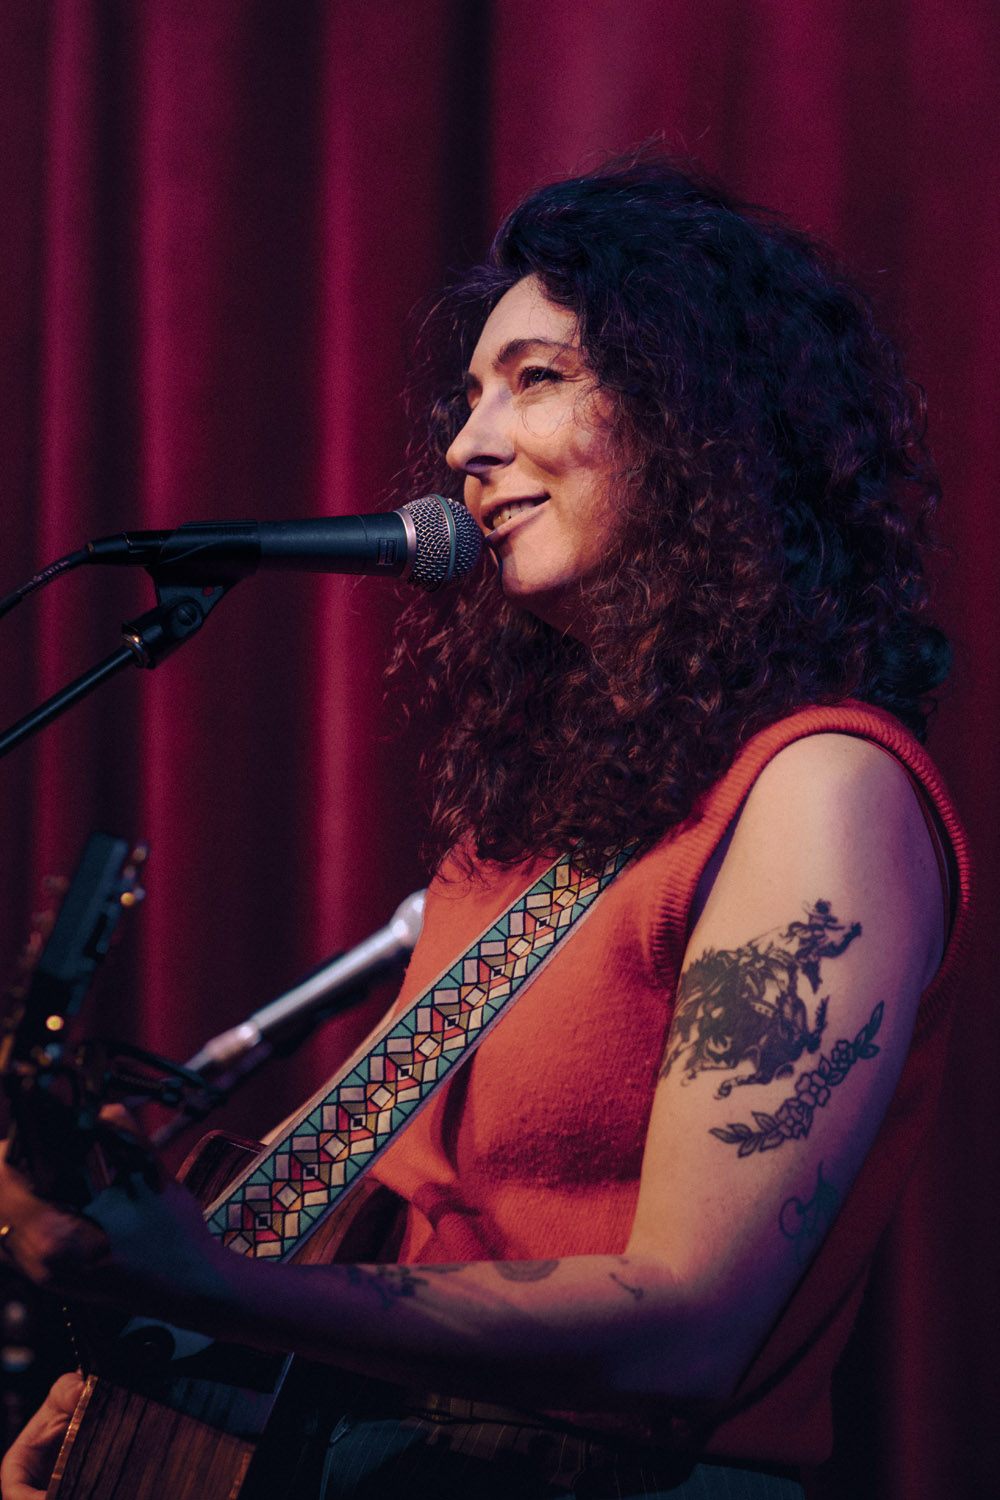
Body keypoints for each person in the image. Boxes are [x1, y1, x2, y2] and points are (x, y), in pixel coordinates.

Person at [0, 153, 971, 1499]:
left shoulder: (822, 793)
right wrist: (155, 1384)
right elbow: (407, 1242)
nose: (466, 445)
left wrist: (210, 1290)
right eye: (469, 395)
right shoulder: (542, 825)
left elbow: (688, 1326)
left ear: (702, 419)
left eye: (537, 377)